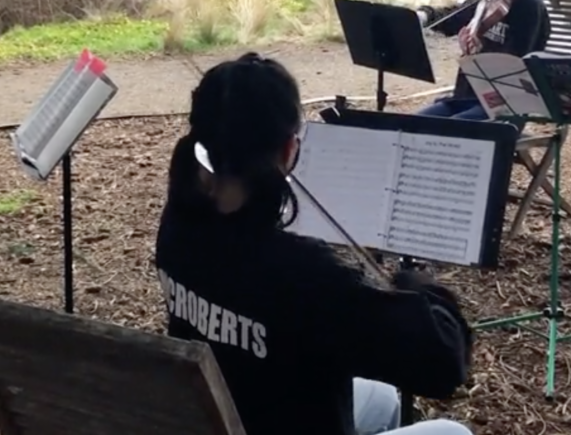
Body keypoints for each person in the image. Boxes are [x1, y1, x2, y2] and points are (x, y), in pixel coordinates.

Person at [155, 53, 475, 435]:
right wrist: (422, 286)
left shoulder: (178, 222)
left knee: (383, 397)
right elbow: (443, 364)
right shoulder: (303, 274)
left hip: (227, 408)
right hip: (275, 416)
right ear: (289, 149)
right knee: (454, 432)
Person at [417, 0, 551, 120]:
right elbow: (456, 15)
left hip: (504, 105)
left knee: (450, 129)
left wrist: (476, 52)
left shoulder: (529, 5)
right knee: (414, 123)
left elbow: (518, 63)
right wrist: (425, 15)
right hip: (465, 96)